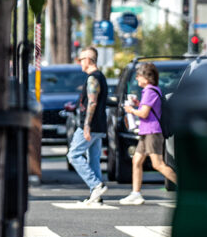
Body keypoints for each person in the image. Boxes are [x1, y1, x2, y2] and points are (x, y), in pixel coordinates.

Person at [121, 62, 178, 205]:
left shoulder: (150, 91)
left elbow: (144, 113)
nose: (137, 79)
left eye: (139, 76)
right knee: (137, 161)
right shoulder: (152, 91)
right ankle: (136, 193)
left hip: (152, 132)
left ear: (147, 78)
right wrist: (137, 103)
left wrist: (131, 110)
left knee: (158, 164)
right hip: (146, 132)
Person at [67, 46, 109, 205]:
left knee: (73, 155)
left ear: (88, 60)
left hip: (90, 125)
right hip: (99, 125)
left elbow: (92, 102)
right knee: (93, 160)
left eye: (81, 59)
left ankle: (96, 185)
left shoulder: (93, 79)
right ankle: (96, 196)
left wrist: (86, 126)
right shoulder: (101, 77)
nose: (79, 62)